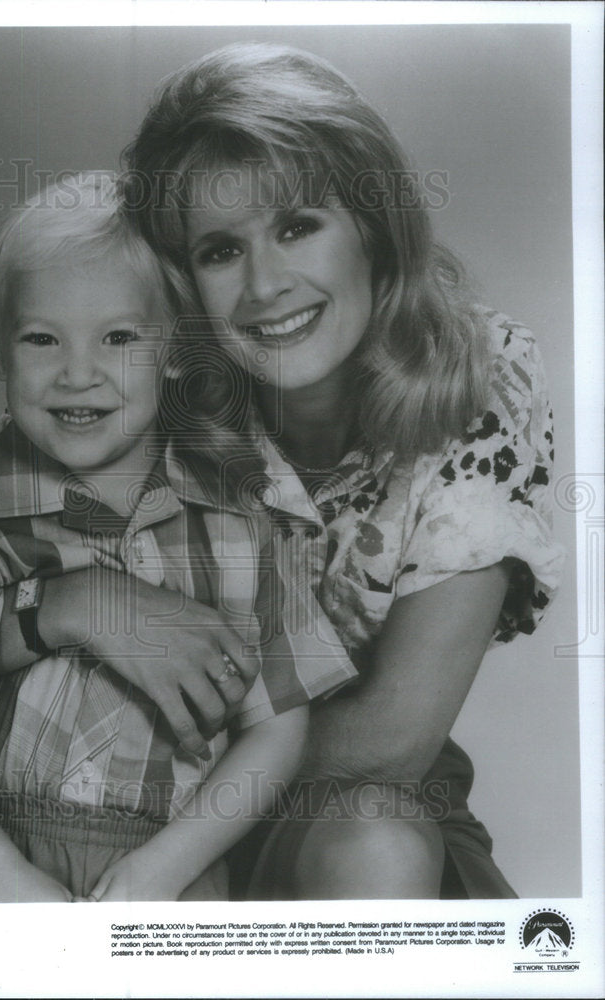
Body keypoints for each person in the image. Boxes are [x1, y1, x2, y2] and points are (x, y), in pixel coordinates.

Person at [113, 42, 565, 899]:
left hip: (340, 809)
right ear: (181, 281)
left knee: (377, 841)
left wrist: (132, 748)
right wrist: (66, 608)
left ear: (370, 225)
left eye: (296, 226)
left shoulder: (480, 372)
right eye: (218, 250)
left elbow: (394, 734)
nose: (265, 286)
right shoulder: (147, 380)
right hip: (124, 824)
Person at [0, 173, 355, 903]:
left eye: (119, 337)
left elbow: (276, 730)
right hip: (0, 862)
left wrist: (163, 868)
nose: (78, 373)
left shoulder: (245, 516)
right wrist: (6, 885)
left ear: (174, 351)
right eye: (41, 338)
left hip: (173, 870)